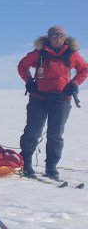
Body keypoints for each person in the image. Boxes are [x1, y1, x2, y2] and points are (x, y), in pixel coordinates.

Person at [17, 25, 87, 179]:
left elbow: (84, 69)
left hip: (61, 100)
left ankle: (51, 168)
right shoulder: (39, 53)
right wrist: (29, 81)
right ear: (48, 37)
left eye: (60, 35)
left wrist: (74, 83)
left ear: (65, 37)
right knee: (32, 132)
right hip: (38, 99)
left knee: (55, 136)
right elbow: (22, 66)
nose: (57, 38)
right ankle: (26, 164)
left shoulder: (72, 54)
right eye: (54, 35)